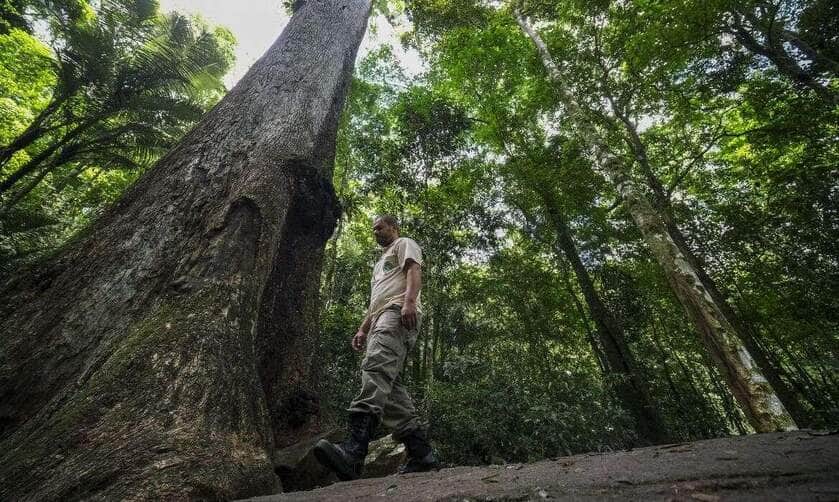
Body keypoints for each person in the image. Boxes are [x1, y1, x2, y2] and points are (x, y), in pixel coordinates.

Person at [314, 215, 439, 480]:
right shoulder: (379, 265)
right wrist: (363, 328)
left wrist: (409, 302)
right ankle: (422, 454)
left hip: (397, 312)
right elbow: (376, 301)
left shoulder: (404, 243)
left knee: (376, 368)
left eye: (380, 227)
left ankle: (353, 452)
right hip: (382, 314)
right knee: (390, 386)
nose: (376, 232)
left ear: (394, 227)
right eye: (373, 229)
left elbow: (414, 271)